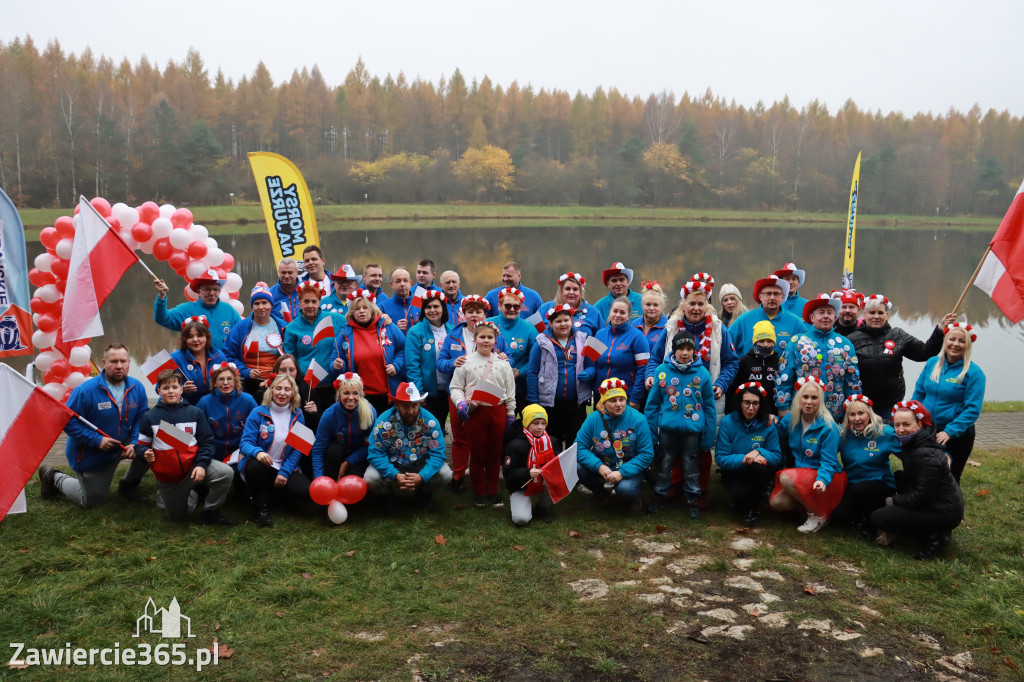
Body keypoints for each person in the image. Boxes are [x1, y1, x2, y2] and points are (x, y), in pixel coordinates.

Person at [38, 344, 151, 508]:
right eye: (114, 361)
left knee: (152, 441)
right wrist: (96, 440)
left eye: (123, 361)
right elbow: (66, 421)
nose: (119, 366)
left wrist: (135, 442)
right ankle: (53, 476)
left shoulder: (137, 387)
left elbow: (141, 417)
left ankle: (128, 485)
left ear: (128, 363)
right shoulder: (85, 391)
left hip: (122, 445)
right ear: (104, 363)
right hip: (93, 452)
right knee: (93, 501)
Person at [136, 369, 236, 525]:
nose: (170, 391)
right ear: (158, 391)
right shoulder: (150, 417)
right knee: (178, 518)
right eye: (165, 388)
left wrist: (202, 465)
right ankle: (183, 494)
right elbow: (141, 445)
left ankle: (211, 511)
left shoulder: (194, 412)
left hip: (193, 467)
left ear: (181, 389)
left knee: (226, 473)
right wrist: (144, 452)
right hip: (169, 477)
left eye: (175, 387)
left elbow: (207, 441)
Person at [870, 401, 965, 559]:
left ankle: (935, 539)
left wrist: (894, 499)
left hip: (943, 511)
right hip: (935, 502)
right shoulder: (915, 440)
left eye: (906, 424)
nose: (900, 429)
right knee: (900, 475)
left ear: (919, 424)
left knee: (878, 517)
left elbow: (921, 497)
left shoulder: (925, 453)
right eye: (897, 424)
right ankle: (928, 529)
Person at [436, 295, 511, 492]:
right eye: (470, 311)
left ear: (485, 314)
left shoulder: (495, 334)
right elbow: (440, 363)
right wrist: (453, 362)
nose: (474, 315)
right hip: (460, 392)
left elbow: (504, 360)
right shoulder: (453, 336)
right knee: (459, 437)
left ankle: (485, 477)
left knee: (487, 439)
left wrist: (505, 356)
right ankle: (459, 475)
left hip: (489, 396)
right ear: (464, 314)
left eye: (478, 311)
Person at [644, 332, 717, 517]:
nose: (685, 353)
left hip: (692, 431)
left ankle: (692, 499)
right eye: (681, 349)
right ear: (674, 350)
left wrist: (708, 436)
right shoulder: (662, 371)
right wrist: (652, 434)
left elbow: (709, 406)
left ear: (694, 351)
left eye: (689, 349)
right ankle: (659, 495)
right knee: (666, 463)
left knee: (691, 463)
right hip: (668, 430)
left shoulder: (702, 373)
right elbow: (652, 406)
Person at [847, 295, 954, 420]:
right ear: (864, 314)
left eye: (880, 312)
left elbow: (925, 352)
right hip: (862, 405)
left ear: (887, 315)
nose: (876, 316)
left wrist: (939, 330)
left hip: (891, 403)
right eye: (872, 313)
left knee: (891, 437)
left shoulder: (898, 335)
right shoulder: (852, 339)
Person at [450, 321, 518, 507]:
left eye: (490, 337)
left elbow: (510, 391)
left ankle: (493, 491)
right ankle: (479, 492)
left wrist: (510, 414)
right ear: (475, 339)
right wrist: (461, 404)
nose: (486, 341)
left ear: (495, 340)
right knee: (478, 454)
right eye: (482, 337)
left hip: (497, 410)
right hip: (475, 412)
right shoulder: (466, 362)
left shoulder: (502, 365)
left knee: (494, 454)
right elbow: (455, 387)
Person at [769, 376, 846, 533]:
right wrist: (770, 420)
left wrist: (822, 480)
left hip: (823, 478)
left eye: (814, 398)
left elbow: (829, 462)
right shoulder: (792, 418)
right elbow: (777, 434)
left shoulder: (828, 427)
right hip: (800, 474)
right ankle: (806, 508)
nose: (809, 402)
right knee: (777, 502)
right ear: (799, 398)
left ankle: (819, 516)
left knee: (786, 478)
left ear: (821, 400)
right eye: (805, 397)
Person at [912, 322, 986, 484]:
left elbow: (972, 409)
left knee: (949, 477)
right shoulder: (932, 363)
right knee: (926, 472)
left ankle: (951, 508)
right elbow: (919, 393)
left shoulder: (974, 373)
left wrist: (950, 432)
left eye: (961, 341)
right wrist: (913, 416)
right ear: (945, 341)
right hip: (928, 428)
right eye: (952, 339)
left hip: (956, 434)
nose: (955, 344)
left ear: (968, 345)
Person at [655, 275, 739, 416]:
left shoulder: (718, 329)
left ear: (707, 305)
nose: (696, 308)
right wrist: (651, 376)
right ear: (683, 305)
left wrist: (721, 384)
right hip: (674, 397)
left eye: (701, 304)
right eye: (692, 303)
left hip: (707, 397)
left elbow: (731, 362)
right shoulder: (671, 327)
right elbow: (655, 359)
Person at [365, 382, 453, 512]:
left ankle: (424, 494)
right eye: (406, 407)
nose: (411, 411)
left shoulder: (430, 422)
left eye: (414, 405)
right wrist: (395, 475)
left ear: (420, 403)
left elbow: (438, 454)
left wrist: (422, 476)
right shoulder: (383, 422)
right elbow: (375, 453)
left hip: (420, 463)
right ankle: (387, 496)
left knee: (446, 474)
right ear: (397, 404)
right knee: (370, 478)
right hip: (393, 463)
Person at [239, 373, 312, 526]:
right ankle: (260, 510)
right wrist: (258, 453)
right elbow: (245, 443)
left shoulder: (298, 415)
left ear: (293, 393)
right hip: (262, 465)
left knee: (303, 492)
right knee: (254, 466)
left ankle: (274, 496)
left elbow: (299, 448)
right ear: (271, 390)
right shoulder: (257, 412)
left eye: (287, 389)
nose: (282, 393)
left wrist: (285, 472)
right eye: (278, 388)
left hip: (285, 466)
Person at [776, 294, 861, 422]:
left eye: (829, 312)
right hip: (802, 412)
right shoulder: (796, 343)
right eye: (821, 312)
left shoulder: (845, 344)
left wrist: (854, 409)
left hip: (835, 413)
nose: (826, 316)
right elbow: (784, 377)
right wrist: (782, 407)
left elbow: (852, 381)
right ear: (812, 317)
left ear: (835, 317)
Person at [575, 378, 655, 510]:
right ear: (604, 402)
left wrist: (622, 472)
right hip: (603, 465)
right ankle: (599, 493)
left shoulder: (639, 419)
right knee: (576, 467)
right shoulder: (593, 419)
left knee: (625, 489)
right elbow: (578, 447)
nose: (619, 404)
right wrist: (599, 466)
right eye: (613, 401)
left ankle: (634, 495)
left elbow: (646, 454)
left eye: (622, 399)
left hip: (628, 465)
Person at [526, 304, 593, 452]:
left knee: (575, 440)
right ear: (550, 323)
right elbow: (532, 372)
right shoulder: (541, 342)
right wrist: (533, 400)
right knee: (552, 439)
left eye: (566, 320)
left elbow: (592, 365)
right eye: (558, 321)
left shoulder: (583, 339)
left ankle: (574, 472)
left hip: (576, 402)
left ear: (572, 320)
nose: (563, 324)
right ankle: (551, 471)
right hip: (550, 402)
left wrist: (589, 373)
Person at [715, 382, 782, 526]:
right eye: (746, 402)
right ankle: (741, 499)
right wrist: (745, 458)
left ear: (761, 404)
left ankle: (754, 508)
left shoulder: (768, 424)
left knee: (760, 467)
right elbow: (721, 458)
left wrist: (759, 452)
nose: (751, 408)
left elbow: (777, 457)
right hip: (734, 471)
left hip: (758, 473)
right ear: (740, 403)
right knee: (740, 500)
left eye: (755, 403)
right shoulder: (728, 422)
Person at [331, 288, 407, 415]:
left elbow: (404, 349)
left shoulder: (388, 327)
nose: (361, 311)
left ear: (372, 309)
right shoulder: (344, 334)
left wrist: (396, 365)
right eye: (357, 309)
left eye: (365, 307)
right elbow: (334, 361)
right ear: (351, 313)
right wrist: (336, 365)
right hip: (359, 396)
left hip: (388, 393)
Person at [282, 280, 344, 428]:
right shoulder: (292, 328)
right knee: (308, 425)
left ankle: (327, 451)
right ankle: (306, 452)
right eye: (306, 301)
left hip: (332, 384)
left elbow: (357, 322)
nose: (310, 305)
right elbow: (289, 359)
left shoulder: (335, 319)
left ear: (320, 301)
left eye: (314, 301)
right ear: (299, 302)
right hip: (307, 387)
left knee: (332, 425)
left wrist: (383, 318)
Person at [833, 395, 899, 535]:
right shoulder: (843, 434)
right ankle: (861, 516)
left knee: (862, 489)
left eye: (861, 413)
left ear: (869, 413)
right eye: (852, 414)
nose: (857, 418)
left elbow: (907, 452)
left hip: (879, 484)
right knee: (840, 515)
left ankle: (874, 521)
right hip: (852, 485)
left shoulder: (884, 433)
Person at [223, 282, 288, 400]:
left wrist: (279, 375)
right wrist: (246, 372)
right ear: (252, 306)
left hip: (277, 382)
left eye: (264, 302)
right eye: (256, 303)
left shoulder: (282, 327)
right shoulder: (240, 328)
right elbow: (228, 355)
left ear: (271, 305)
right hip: (247, 383)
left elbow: (291, 355)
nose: (261, 307)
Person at [584, 297, 650, 407]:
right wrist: (588, 375)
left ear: (628, 316)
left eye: (622, 312)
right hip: (601, 395)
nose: (617, 315)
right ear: (610, 312)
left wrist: (635, 398)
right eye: (615, 311)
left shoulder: (638, 337)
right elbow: (590, 363)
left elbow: (643, 370)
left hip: (624, 396)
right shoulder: (600, 334)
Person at [153, 269, 241, 350]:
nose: (212, 293)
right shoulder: (186, 309)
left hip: (223, 364)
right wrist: (162, 296)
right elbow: (162, 318)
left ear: (220, 291)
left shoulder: (229, 310)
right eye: (207, 290)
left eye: (215, 289)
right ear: (198, 291)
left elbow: (242, 335)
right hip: (196, 364)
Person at [310, 373, 377, 480]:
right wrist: (319, 478)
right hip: (335, 456)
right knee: (335, 450)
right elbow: (318, 449)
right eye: (346, 393)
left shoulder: (370, 412)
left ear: (360, 395)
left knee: (352, 483)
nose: (351, 398)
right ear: (339, 394)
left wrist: (347, 462)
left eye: (355, 393)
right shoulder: (329, 415)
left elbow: (370, 445)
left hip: (357, 457)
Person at [404, 290, 454, 429]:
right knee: (429, 428)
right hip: (427, 392)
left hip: (449, 390)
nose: (432, 310)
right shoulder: (416, 332)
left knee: (441, 426)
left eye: (436, 306)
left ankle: (439, 450)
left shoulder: (452, 330)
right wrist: (418, 391)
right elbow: (412, 365)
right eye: (428, 307)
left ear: (443, 308)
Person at [197, 362, 258, 473]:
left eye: (229, 379)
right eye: (221, 379)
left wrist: (245, 451)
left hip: (240, 451)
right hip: (213, 453)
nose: (226, 383)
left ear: (235, 381)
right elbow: (197, 430)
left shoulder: (248, 400)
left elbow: (258, 426)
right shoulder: (204, 402)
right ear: (215, 383)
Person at [502, 404, 557, 525]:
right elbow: (508, 473)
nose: (540, 427)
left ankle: (542, 506)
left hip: (542, 481)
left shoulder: (552, 441)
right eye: (535, 423)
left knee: (554, 478)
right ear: (526, 423)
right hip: (521, 485)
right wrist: (527, 473)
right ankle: (522, 502)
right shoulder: (514, 445)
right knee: (521, 519)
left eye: (543, 423)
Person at [487, 287, 539, 414]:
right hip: (492, 385)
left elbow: (535, 360)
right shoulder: (487, 324)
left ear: (521, 308)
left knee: (523, 426)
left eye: (516, 306)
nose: (512, 309)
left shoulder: (529, 329)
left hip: (520, 388)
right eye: (507, 306)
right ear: (499, 306)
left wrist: (520, 372)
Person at [729, 274, 805, 357]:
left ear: (782, 297)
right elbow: (726, 347)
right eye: (768, 294)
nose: (772, 298)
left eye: (776, 294)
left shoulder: (795, 322)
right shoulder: (744, 320)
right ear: (760, 296)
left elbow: (806, 349)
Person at [725, 321, 780, 415]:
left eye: (769, 341)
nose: (766, 344)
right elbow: (732, 392)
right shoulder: (743, 362)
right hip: (747, 415)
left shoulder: (779, 362)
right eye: (762, 341)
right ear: (755, 342)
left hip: (772, 415)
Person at [171, 317, 226, 406]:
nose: (195, 340)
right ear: (184, 339)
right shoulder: (175, 358)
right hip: (184, 406)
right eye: (190, 336)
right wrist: (182, 389)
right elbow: (160, 388)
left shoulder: (219, 356)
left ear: (207, 337)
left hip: (213, 405)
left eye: (200, 335)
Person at [634, 281, 668, 408]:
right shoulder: (633, 325)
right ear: (642, 305)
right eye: (648, 304)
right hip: (635, 382)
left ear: (662, 307)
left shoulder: (668, 327)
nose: (651, 308)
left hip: (656, 382)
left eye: (656, 305)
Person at [538, 272, 603, 336]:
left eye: (575, 289)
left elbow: (602, 340)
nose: (571, 292)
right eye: (567, 289)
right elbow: (532, 335)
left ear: (580, 291)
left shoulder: (593, 312)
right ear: (561, 290)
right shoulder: (545, 308)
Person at [379, 267, 420, 332]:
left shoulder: (420, 301)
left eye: (405, 281)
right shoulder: (383, 307)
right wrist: (395, 328)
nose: (402, 284)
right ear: (391, 284)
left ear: (410, 283)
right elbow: (379, 334)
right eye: (398, 281)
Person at [270, 257, 301, 322]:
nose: (286, 276)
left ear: (297, 272)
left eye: (290, 273)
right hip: (278, 331)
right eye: (283, 273)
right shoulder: (270, 293)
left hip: (303, 331)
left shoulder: (306, 290)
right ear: (279, 273)